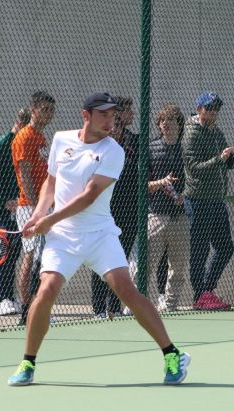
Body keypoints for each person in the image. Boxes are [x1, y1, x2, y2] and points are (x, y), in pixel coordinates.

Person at [7, 92, 191, 386]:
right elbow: (51, 183)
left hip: (100, 234)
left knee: (127, 291)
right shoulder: (60, 140)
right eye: (103, 114)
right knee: (46, 292)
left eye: (113, 115)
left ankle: (172, 354)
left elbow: (90, 195)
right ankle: (28, 363)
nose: (110, 120)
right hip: (63, 237)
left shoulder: (113, 151)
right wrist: (38, 211)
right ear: (86, 115)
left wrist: (48, 220)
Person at [182, 92, 234, 310]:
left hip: (216, 201)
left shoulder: (216, 132)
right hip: (198, 200)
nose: (213, 112)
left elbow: (229, 163)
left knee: (225, 247)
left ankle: (206, 290)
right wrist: (218, 159)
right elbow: (193, 167)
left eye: (216, 109)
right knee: (200, 249)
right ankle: (200, 297)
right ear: (199, 110)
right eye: (209, 108)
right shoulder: (191, 133)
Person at [91, 96, 139, 319]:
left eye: (120, 121)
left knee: (120, 259)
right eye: (115, 121)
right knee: (99, 258)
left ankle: (115, 307)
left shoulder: (135, 142)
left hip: (129, 211)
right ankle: (99, 308)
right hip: (104, 211)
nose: (117, 127)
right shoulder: (100, 145)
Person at [11, 91, 56, 325]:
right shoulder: (24, 138)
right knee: (30, 256)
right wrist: (36, 207)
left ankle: (38, 307)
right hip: (30, 207)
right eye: (45, 110)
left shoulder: (41, 138)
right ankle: (26, 309)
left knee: (45, 258)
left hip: (44, 206)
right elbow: (24, 174)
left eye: (51, 111)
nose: (49, 115)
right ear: (34, 109)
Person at [0, 107, 31, 316]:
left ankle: (14, 299)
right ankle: (3, 299)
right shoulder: (2, 144)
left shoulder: (27, 143)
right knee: (5, 251)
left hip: (20, 208)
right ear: (20, 123)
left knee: (18, 251)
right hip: (2, 210)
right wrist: (5, 200)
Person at [147, 104, 189, 311]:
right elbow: (142, 184)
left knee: (178, 266)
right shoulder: (151, 148)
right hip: (156, 214)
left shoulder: (186, 149)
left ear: (179, 124)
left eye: (171, 120)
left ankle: (170, 304)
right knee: (147, 263)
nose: (167, 124)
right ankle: (137, 303)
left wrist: (185, 195)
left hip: (180, 216)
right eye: (163, 121)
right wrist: (161, 183)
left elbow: (194, 179)